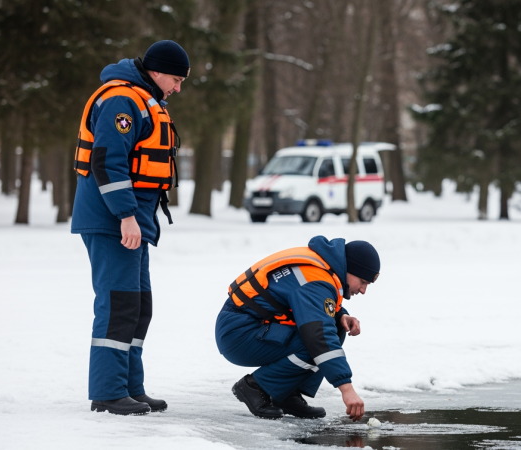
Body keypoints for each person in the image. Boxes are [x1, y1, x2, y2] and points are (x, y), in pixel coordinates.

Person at [71, 40, 189, 415]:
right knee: (119, 304)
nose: (177, 88)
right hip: (112, 221)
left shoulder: (144, 99)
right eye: (175, 79)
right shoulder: (122, 100)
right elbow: (108, 161)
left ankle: (130, 388)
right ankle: (107, 392)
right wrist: (125, 215)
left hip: (132, 221)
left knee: (139, 307)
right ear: (156, 71)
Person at [215, 236, 380, 421]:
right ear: (349, 269)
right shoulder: (316, 280)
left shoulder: (322, 266)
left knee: (334, 325)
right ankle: (255, 387)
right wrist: (346, 388)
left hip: (247, 325)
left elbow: (307, 297)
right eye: (363, 282)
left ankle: (286, 393)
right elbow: (319, 336)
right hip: (239, 334)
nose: (363, 290)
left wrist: (340, 313)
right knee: (315, 341)